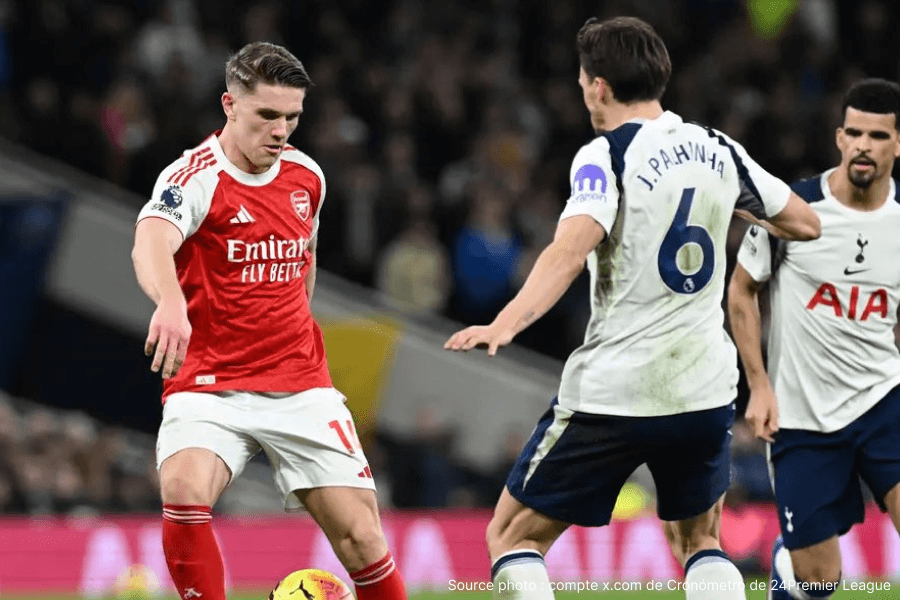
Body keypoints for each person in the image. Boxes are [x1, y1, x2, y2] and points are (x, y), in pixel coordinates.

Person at [445, 16, 821, 600]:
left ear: (597, 85)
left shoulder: (604, 155)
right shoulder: (718, 148)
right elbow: (804, 221)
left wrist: (506, 321)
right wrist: (739, 209)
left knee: (512, 536)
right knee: (700, 541)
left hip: (616, 388)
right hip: (702, 386)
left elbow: (570, 249)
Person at [131, 42, 406, 600]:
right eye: (267, 115)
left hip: (299, 381)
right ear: (230, 105)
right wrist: (171, 302)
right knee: (183, 488)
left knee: (362, 538)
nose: (281, 130)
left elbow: (303, 266)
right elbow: (150, 241)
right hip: (211, 381)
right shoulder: (194, 176)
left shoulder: (308, 176)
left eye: (292, 117)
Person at [728, 78, 900, 600]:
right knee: (819, 580)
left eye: (877, 135)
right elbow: (740, 294)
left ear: (898, 143)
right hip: (803, 417)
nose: (864, 145)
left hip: (883, 402)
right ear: (839, 138)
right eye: (854, 133)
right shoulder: (794, 209)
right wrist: (758, 385)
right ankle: (790, 564)